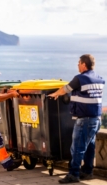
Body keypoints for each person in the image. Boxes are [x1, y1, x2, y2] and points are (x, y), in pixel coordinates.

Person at [48, 54, 105, 183]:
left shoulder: (80, 78)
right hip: (96, 119)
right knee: (90, 147)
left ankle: (73, 174)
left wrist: (55, 94)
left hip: (84, 119)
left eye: (79, 63)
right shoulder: (100, 79)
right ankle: (87, 171)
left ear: (84, 64)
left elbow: (65, 89)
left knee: (77, 148)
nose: (77, 65)